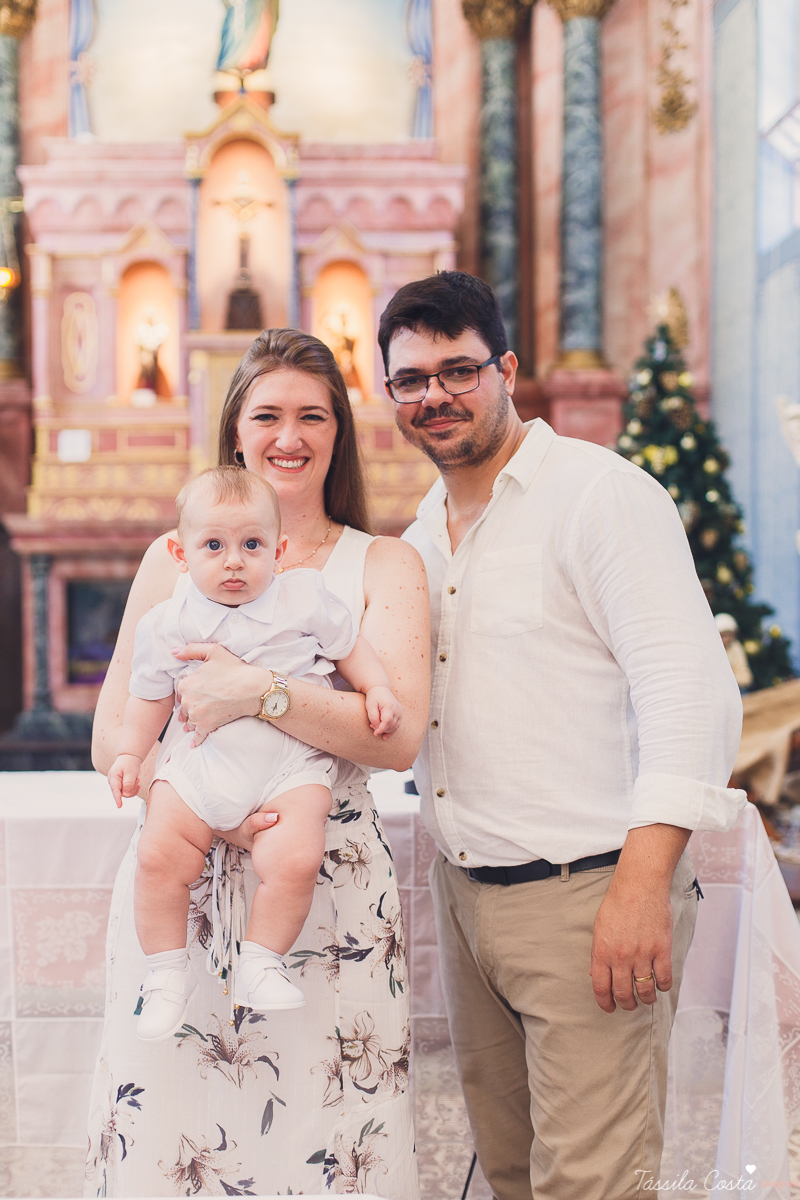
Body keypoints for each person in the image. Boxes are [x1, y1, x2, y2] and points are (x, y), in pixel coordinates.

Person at [379, 271, 746, 1200]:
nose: (435, 397)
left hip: (588, 896)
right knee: (511, 1174)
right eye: (410, 380)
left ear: (506, 368)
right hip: (468, 898)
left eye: (457, 370)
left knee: (592, 1184)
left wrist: (641, 884)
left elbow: (691, 693)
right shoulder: (421, 536)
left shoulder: (600, 496)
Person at [86, 329, 428, 1198]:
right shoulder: (173, 567)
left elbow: (396, 737)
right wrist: (202, 805)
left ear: (339, 433)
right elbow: (112, 731)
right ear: (234, 430)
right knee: (176, 1140)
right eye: (267, 414)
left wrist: (257, 691)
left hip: (324, 880)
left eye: (314, 415)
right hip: (188, 869)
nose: (290, 435)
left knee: (326, 1136)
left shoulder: (381, 564)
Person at [109, 466, 402, 1035]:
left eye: (252, 545)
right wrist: (128, 754)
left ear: (280, 549)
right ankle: (166, 972)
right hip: (201, 765)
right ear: (181, 551)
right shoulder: (167, 622)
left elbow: (350, 648)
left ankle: (262, 959)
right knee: (159, 856)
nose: (234, 560)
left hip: (290, 766)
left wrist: (380, 688)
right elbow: (146, 697)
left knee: (294, 859)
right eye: (213, 546)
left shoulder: (304, 598)